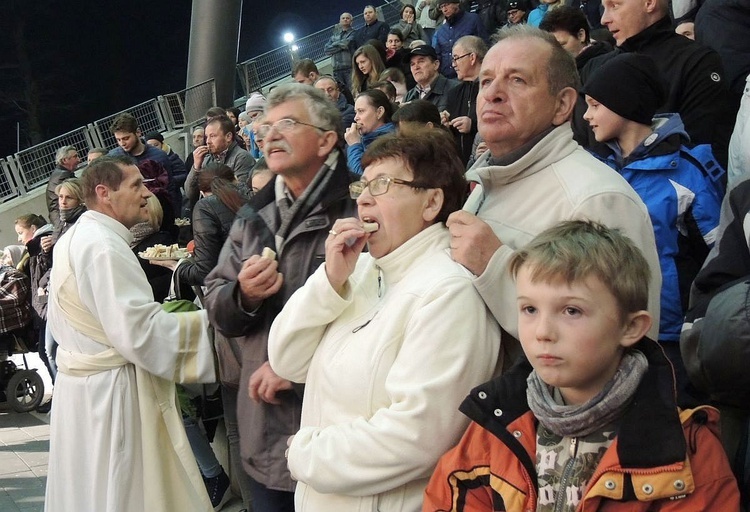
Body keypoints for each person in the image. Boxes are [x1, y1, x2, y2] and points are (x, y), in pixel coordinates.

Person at [423, 220, 741, 511]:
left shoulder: (687, 452)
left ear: (631, 327)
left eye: (571, 311)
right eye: (529, 309)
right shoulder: (494, 424)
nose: (543, 332)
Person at [267, 127, 499, 512]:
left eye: (383, 185)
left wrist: (306, 454)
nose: (364, 202)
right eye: (363, 188)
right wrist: (329, 280)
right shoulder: (363, 270)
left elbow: (418, 438)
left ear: (431, 203)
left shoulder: (448, 292)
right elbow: (287, 359)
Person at [448, 25, 662, 368]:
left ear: (563, 104)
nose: (493, 94)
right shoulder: (481, 182)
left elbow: (622, 356)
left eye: (517, 80)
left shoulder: (596, 200)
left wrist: (496, 266)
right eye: (486, 81)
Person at [203, 83, 358, 512]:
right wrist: (243, 295)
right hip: (261, 429)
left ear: (327, 140)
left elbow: (373, 324)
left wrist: (295, 366)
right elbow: (217, 302)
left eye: (287, 123)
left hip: (332, 433)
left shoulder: (358, 214)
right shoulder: (253, 216)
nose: (270, 134)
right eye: (265, 125)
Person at [44, 155, 216, 512]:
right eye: (136, 185)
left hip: (84, 392)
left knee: (92, 489)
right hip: (111, 394)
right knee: (125, 489)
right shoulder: (103, 247)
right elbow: (140, 333)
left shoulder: (76, 237)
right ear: (105, 193)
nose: (146, 193)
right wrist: (215, 324)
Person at [578, 0, 734, 169]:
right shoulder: (593, 68)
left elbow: (704, 153)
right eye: (603, 8)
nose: (604, 19)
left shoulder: (697, 62)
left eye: (615, 5)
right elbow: (582, 142)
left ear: (649, 3)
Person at [108, 112, 183, 216]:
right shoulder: (113, 158)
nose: (122, 143)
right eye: (118, 140)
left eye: (126, 138)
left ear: (138, 132)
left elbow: (170, 189)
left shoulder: (159, 155)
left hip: (161, 211)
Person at [185, 115, 255, 209]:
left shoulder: (241, 157)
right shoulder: (207, 159)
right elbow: (189, 193)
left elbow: (241, 195)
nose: (208, 141)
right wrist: (196, 167)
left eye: (213, 136)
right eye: (206, 137)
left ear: (228, 137)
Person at [442, 35, 487, 165]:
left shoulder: (493, 88)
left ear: (472, 58)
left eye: (456, 58)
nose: (453, 65)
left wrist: (472, 126)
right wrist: (445, 126)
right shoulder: (454, 93)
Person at [539, 6, 613, 71]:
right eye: (551, 47)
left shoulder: (603, 67)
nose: (555, 53)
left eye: (561, 45)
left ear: (581, 35)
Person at [345, 89, 397, 175]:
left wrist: (354, 145)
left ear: (379, 112)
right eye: (355, 112)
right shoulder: (363, 137)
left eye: (361, 111)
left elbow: (363, 177)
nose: (356, 118)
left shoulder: (390, 142)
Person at [432, 0, 487, 79]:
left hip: (472, 77)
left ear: (456, 3)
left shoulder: (473, 20)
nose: (444, 9)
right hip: (448, 79)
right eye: (441, 7)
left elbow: (484, 45)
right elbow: (437, 55)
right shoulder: (441, 30)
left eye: (447, 4)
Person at [403, 45, 459, 113]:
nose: (416, 67)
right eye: (412, 64)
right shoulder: (409, 96)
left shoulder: (455, 89)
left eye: (421, 61)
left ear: (436, 65)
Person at [46, 145, 80, 229]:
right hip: (62, 220)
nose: (79, 160)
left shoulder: (59, 174)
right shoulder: (64, 176)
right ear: (65, 160)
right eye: (75, 157)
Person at [324, 12, 357, 94]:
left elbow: (346, 44)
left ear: (351, 21)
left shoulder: (354, 33)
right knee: (341, 93)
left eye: (347, 18)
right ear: (340, 21)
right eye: (343, 18)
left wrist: (334, 44)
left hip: (349, 69)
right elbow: (326, 50)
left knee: (353, 91)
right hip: (336, 70)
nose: (345, 19)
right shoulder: (334, 36)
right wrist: (340, 45)